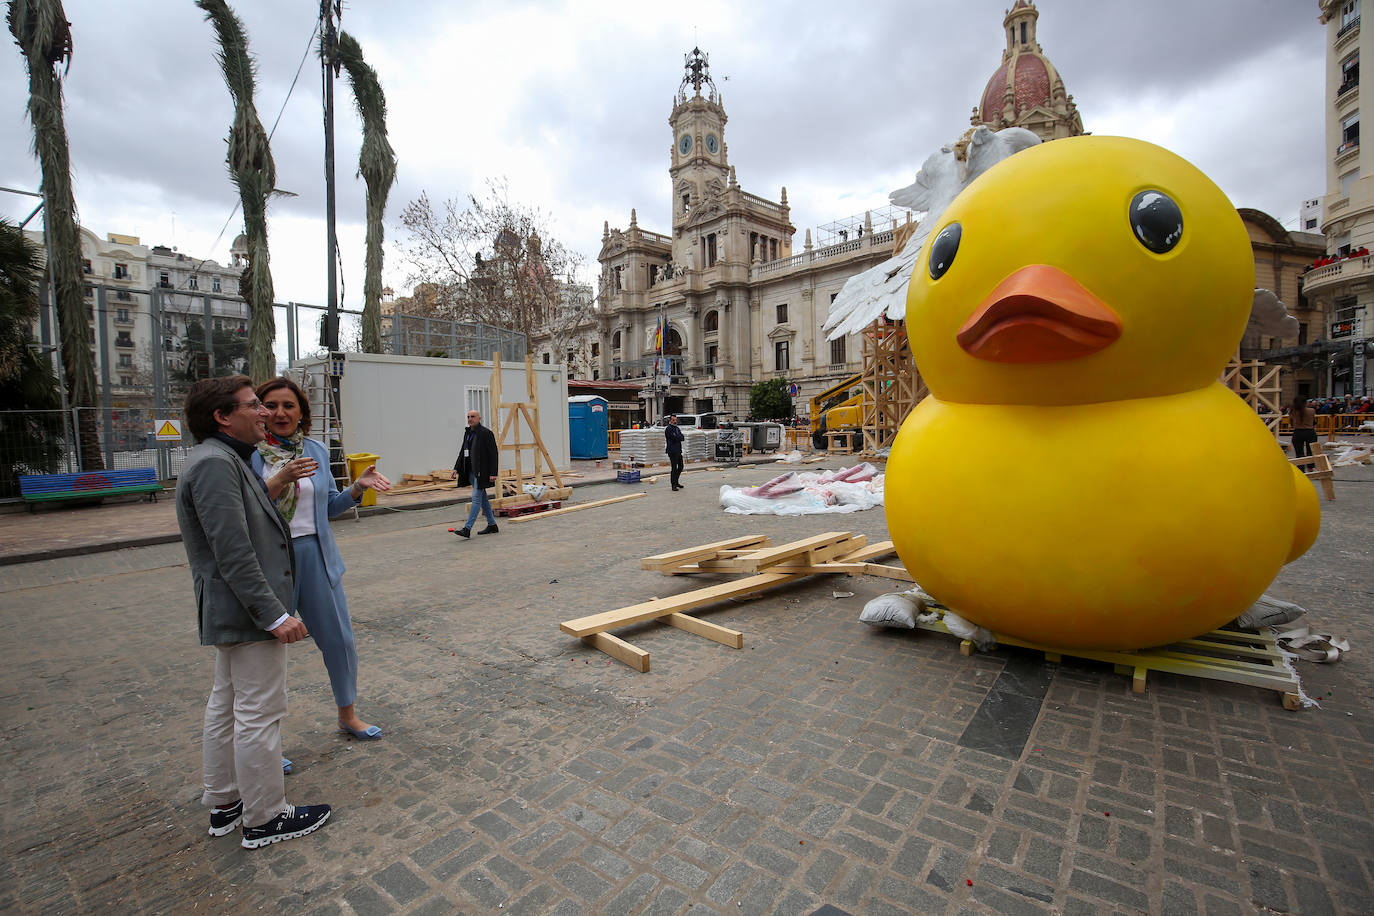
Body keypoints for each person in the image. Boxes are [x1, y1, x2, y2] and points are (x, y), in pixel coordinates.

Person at [175, 375, 331, 849]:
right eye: (252, 406)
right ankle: (264, 816)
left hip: (233, 612)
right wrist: (274, 614)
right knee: (260, 712)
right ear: (223, 417)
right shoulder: (216, 466)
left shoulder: (223, 460)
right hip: (247, 613)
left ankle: (226, 801)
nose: (265, 413)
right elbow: (233, 550)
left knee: (226, 705)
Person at [251, 377, 391, 742]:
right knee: (264, 654)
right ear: (260, 411)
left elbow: (328, 507)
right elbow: (244, 511)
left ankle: (348, 714)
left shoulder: (314, 449)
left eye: (289, 405)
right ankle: (263, 744)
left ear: (301, 412)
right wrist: (280, 479)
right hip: (268, 562)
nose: (280, 413)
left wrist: (357, 487)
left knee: (340, 640)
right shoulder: (247, 453)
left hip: (315, 555)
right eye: (272, 405)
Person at [450, 408, 500, 537]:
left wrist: (494, 472)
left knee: (476, 499)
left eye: (473, 416)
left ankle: (467, 528)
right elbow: (462, 452)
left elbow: (493, 454)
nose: (470, 419)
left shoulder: (486, 433)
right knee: (483, 499)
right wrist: (456, 468)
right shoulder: (468, 433)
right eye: (468, 417)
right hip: (471, 473)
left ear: (479, 418)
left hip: (481, 473)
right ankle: (492, 525)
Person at [1290, 394, 1317, 459]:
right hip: (1310, 431)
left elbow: (1291, 423)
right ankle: (1310, 467)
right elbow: (1314, 422)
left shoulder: (1293, 411)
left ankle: (1300, 468)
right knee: (1311, 452)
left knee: (1299, 454)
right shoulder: (1311, 411)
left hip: (1298, 432)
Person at [665, 413, 685, 491]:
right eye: (673, 420)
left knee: (681, 466)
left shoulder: (677, 428)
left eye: (676, 420)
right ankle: (673, 485)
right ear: (670, 420)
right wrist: (678, 437)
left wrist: (678, 437)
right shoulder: (668, 429)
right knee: (674, 467)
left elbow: (682, 437)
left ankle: (676, 482)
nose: (675, 421)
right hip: (672, 451)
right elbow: (675, 438)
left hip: (678, 450)